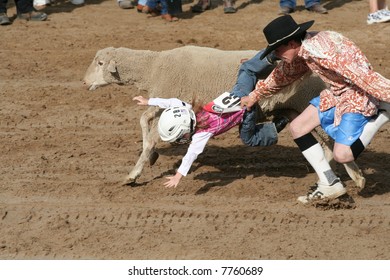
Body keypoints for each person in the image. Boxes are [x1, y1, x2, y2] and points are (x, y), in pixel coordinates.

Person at [240, 15, 390, 204]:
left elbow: (364, 77)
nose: (276, 55)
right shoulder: (304, 48)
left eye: (278, 50)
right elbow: (284, 75)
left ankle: (384, 114)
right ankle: (330, 183)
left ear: (292, 42)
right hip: (337, 93)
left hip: (357, 95)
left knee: (343, 155)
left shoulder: (322, 52)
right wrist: (254, 95)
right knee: (298, 127)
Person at [132, 49, 293, 188]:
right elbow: (172, 102)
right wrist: (149, 101)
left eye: (181, 137)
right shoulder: (189, 109)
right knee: (246, 69)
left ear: (185, 130)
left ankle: (280, 121)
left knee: (249, 138)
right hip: (238, 93)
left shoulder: (201, 133)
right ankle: (271, 55)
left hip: (246, 110)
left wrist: (178, 176)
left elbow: (190, 156)